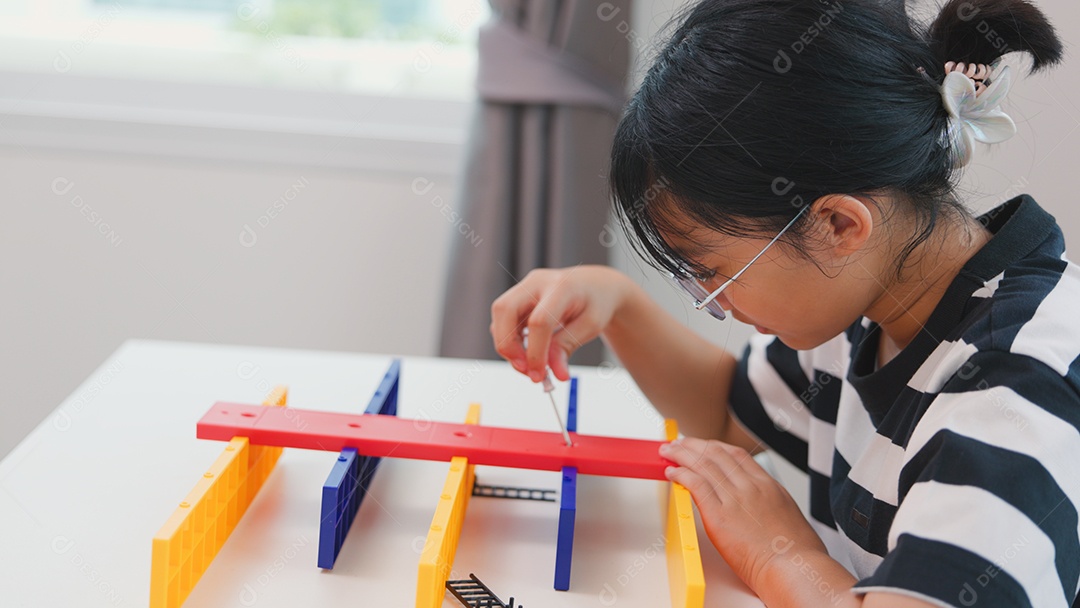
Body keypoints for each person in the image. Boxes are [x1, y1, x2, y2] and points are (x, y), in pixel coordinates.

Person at [488, 0, 1078, 606]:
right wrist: (616, 302)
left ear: (838, 226)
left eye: (716, 274)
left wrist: (781, 553)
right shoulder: (867, 297)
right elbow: (727, 415)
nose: (712, 303)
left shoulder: (1016, 385)